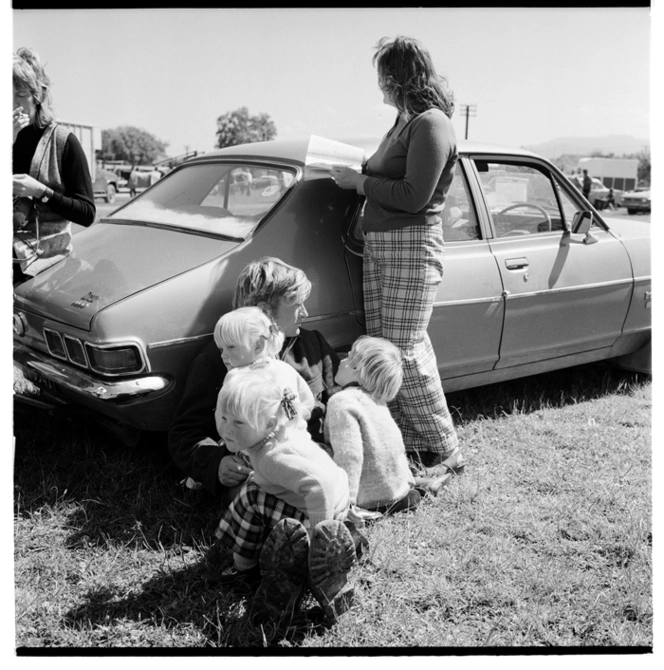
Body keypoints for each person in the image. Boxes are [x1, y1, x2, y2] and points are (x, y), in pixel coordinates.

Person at [330, 36, 464, 486]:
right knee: (385, 345)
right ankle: (407, 438)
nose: (380, 86)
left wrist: (360, 183)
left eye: (383, 76)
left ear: (397, 76)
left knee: (404, 348)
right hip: (384, 245)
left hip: (411, 244)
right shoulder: (403, 122)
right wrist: (357, 171)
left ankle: (445, 449)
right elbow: (385, 174)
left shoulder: (431, 124)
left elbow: (413, 196)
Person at [167, 257, 340, 505]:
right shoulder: (218, 361)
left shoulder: (313, 344)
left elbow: (340, 397)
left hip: (315, 456)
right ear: (265, 310)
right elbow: (185, 432)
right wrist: (216, 463)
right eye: (296, 305)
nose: (305, 312)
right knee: (255, 494)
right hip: (261, 468)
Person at [214, 368, 355, 622]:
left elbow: (319, 487)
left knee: (251, 498)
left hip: (326, 509)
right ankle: (347, 536)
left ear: (267, 424)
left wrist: (318, 537)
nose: (226, 429)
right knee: (256, 486)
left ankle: (244, 566)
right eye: (222, 417)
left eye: (237, 422)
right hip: (338, 498)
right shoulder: (274, 434)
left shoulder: (270, 457)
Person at [182, 306, 316, 491]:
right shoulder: (284, 369)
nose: (223, 355)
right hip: (297, 445)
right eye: (221, 349)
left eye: (231, 347)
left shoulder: (236, 378)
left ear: (258, 345)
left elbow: (223, 419)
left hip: (257, 451)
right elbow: (307, 402)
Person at [13, 47, 96, 284]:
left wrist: (42, 192)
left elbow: (87, 213)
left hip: (46, 264)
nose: (12, 103)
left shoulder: (62, 141)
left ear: (38, 96)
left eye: (20, 94)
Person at [326, 336, 429, 520]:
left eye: (347, 357)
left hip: (369, 499)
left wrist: (346, 503)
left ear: (356, 367)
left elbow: (350, 454)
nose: (341, 360)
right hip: (398, 493)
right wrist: (408, 482)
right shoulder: (377, 402)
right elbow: (396, 446)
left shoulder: (342, 402)